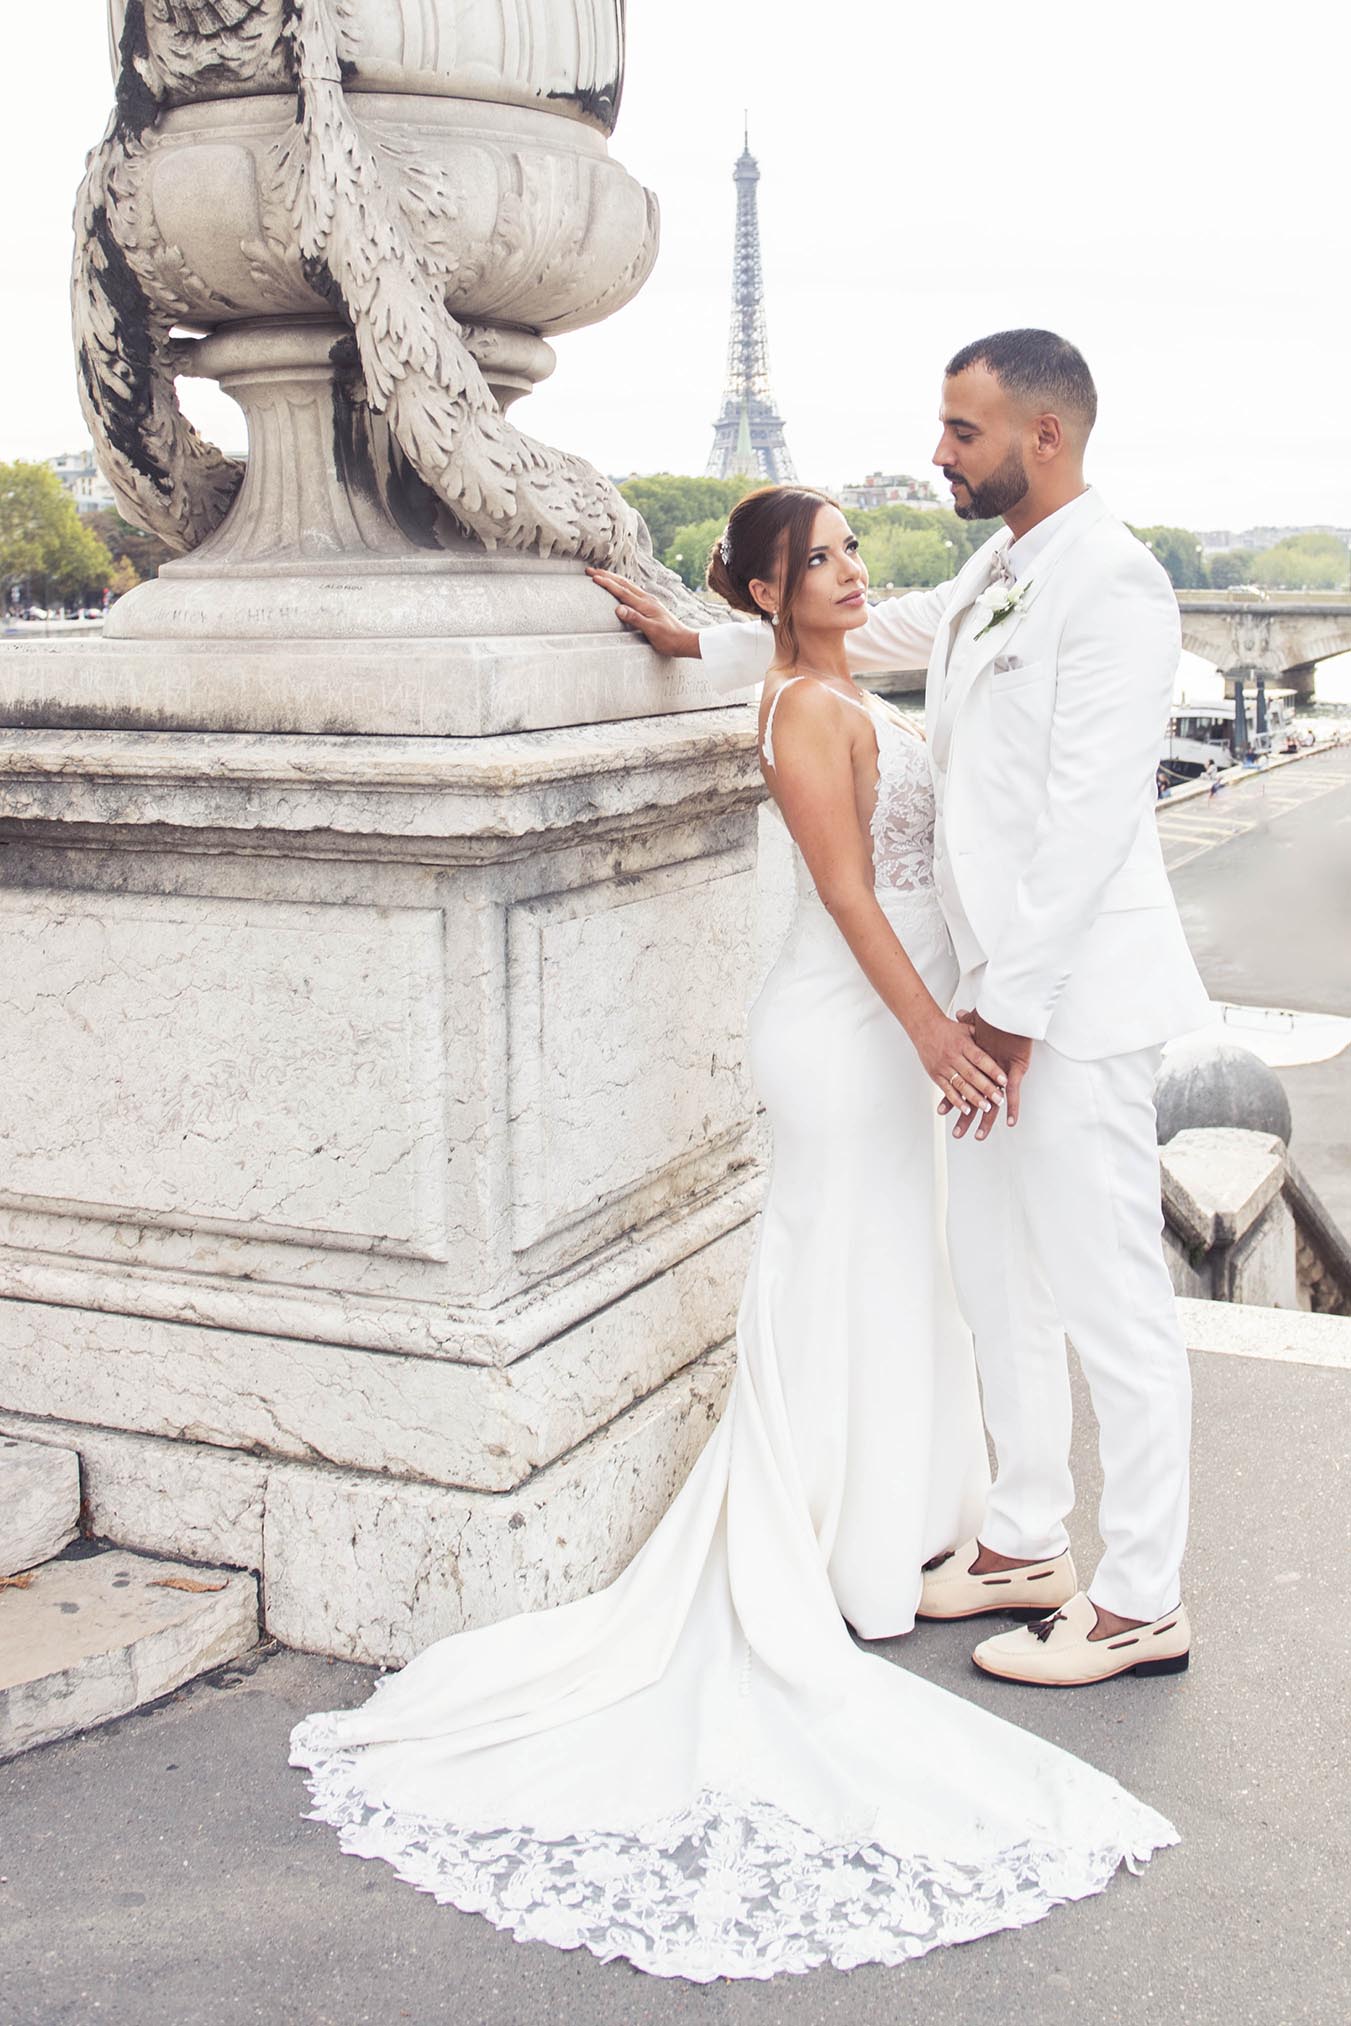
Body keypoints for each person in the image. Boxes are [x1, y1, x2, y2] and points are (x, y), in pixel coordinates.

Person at [292, 480, 1177, 1983]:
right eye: (820, 557)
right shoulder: (807, 708)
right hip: (860, 1029)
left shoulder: (861, 655)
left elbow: (880, 642)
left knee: (900, 1274)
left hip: (902, 1027)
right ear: (771, 588)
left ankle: (894, 1534)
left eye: (850, 547)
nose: (852, 567)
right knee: (846, 1272)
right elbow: (846, 894)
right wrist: (940, 1035)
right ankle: (843, 1545)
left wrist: (695, 634)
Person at [591, 329, 1210, 1691]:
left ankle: (1139, 1599)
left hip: (1066, 1007)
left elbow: (1089, 822)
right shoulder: (1001, 568)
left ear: (1043, 437)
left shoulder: (1114, 583)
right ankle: (1025, 1538)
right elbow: (851, 637)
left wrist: (1007, 1015)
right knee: (995, 1274)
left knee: (1107, 1290)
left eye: (961, 431)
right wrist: (702, 638)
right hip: (991, 1005)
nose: (938, 453)